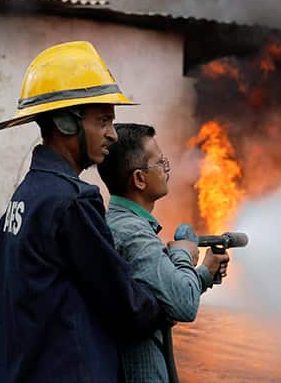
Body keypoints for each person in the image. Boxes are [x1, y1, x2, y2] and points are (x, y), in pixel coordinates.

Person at [0, 41, 165, 383]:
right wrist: (171, 286)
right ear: (66, 123)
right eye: (103, 121)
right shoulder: (73, 202)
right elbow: (125, 306)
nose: (113, 135)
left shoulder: (27, 195)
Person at [97, 123, 229, 383]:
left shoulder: (123, 224)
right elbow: (183, 304)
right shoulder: (134, 234)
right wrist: (183, 256)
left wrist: (203, 274)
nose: (167, 169)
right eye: (160, 163)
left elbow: (160, 302)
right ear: (139, 179)